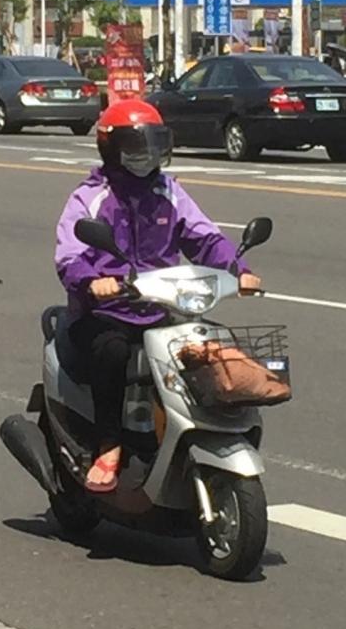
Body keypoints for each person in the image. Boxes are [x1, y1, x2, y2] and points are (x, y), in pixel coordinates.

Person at [55, 98, 261, 494]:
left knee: (208, 346)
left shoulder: (169, 191)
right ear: (110, 147)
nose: (145, 154)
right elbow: (69, 255)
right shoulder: (91, 196)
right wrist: (92, 281)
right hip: (107, 312)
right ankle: (109, 443)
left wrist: (239, 270)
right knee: (112, 352)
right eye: (135, 145)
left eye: (153, 144)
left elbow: (204, 238)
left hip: (161, 308)